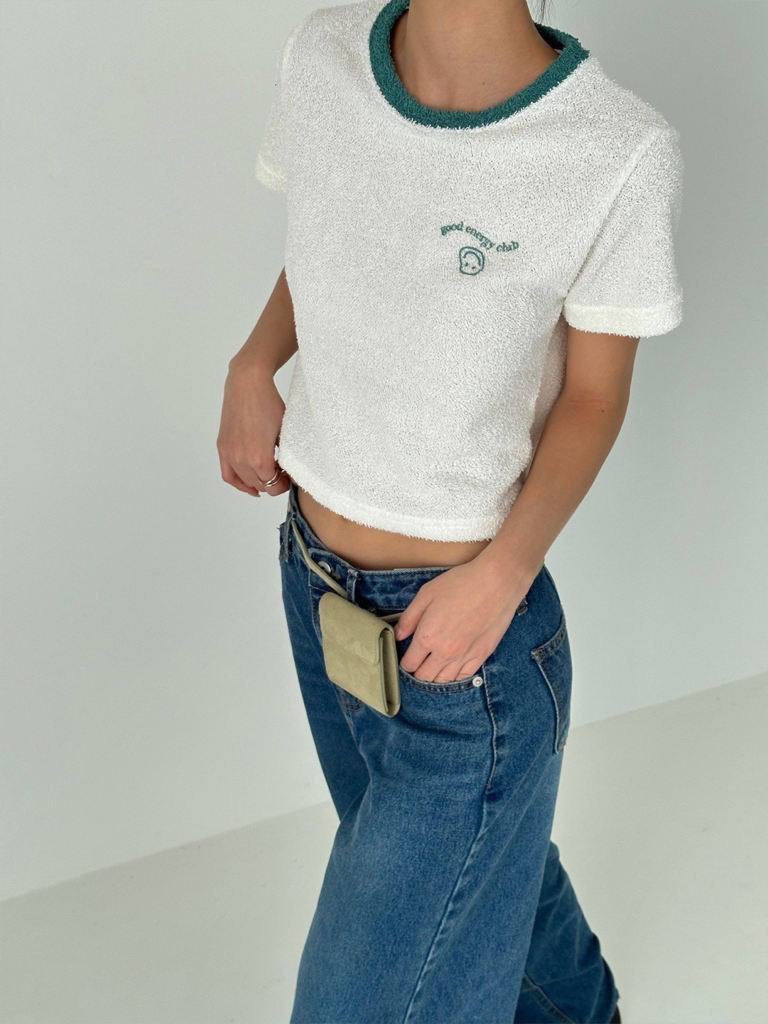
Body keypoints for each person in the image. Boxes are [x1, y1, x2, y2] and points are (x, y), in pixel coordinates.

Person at [218, 0, 684, 1019]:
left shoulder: (614, 147)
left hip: (465, 650)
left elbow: (594, 398)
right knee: (492, 882)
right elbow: (333, 243)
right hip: (316, 593)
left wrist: (504, 573)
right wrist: (255, 361)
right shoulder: (323, 54)